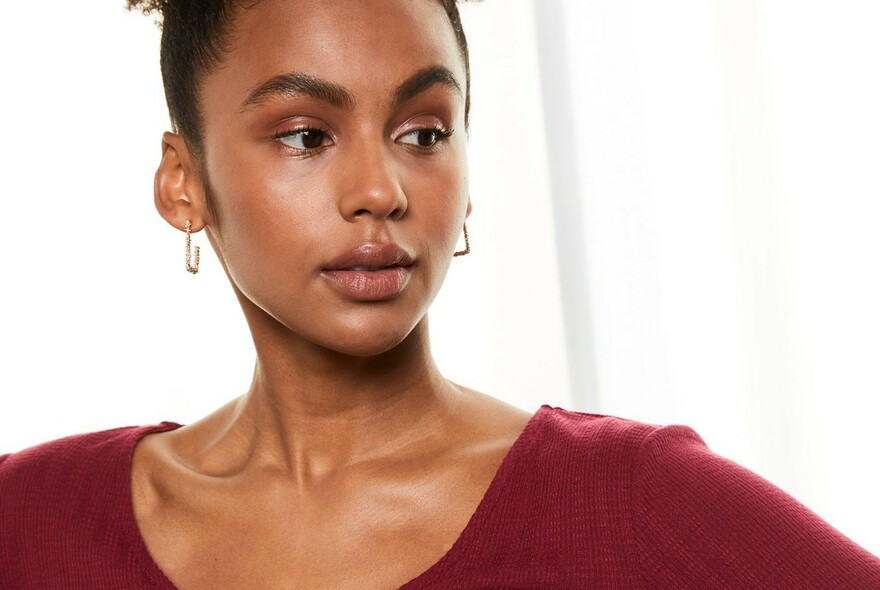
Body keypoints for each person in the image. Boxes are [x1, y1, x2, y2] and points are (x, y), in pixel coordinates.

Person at [0, 0, 878, 588]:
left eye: (423, 130)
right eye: (307, 134)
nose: (379, 190)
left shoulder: (629, 504)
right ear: (182, 181)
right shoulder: (29, 524)